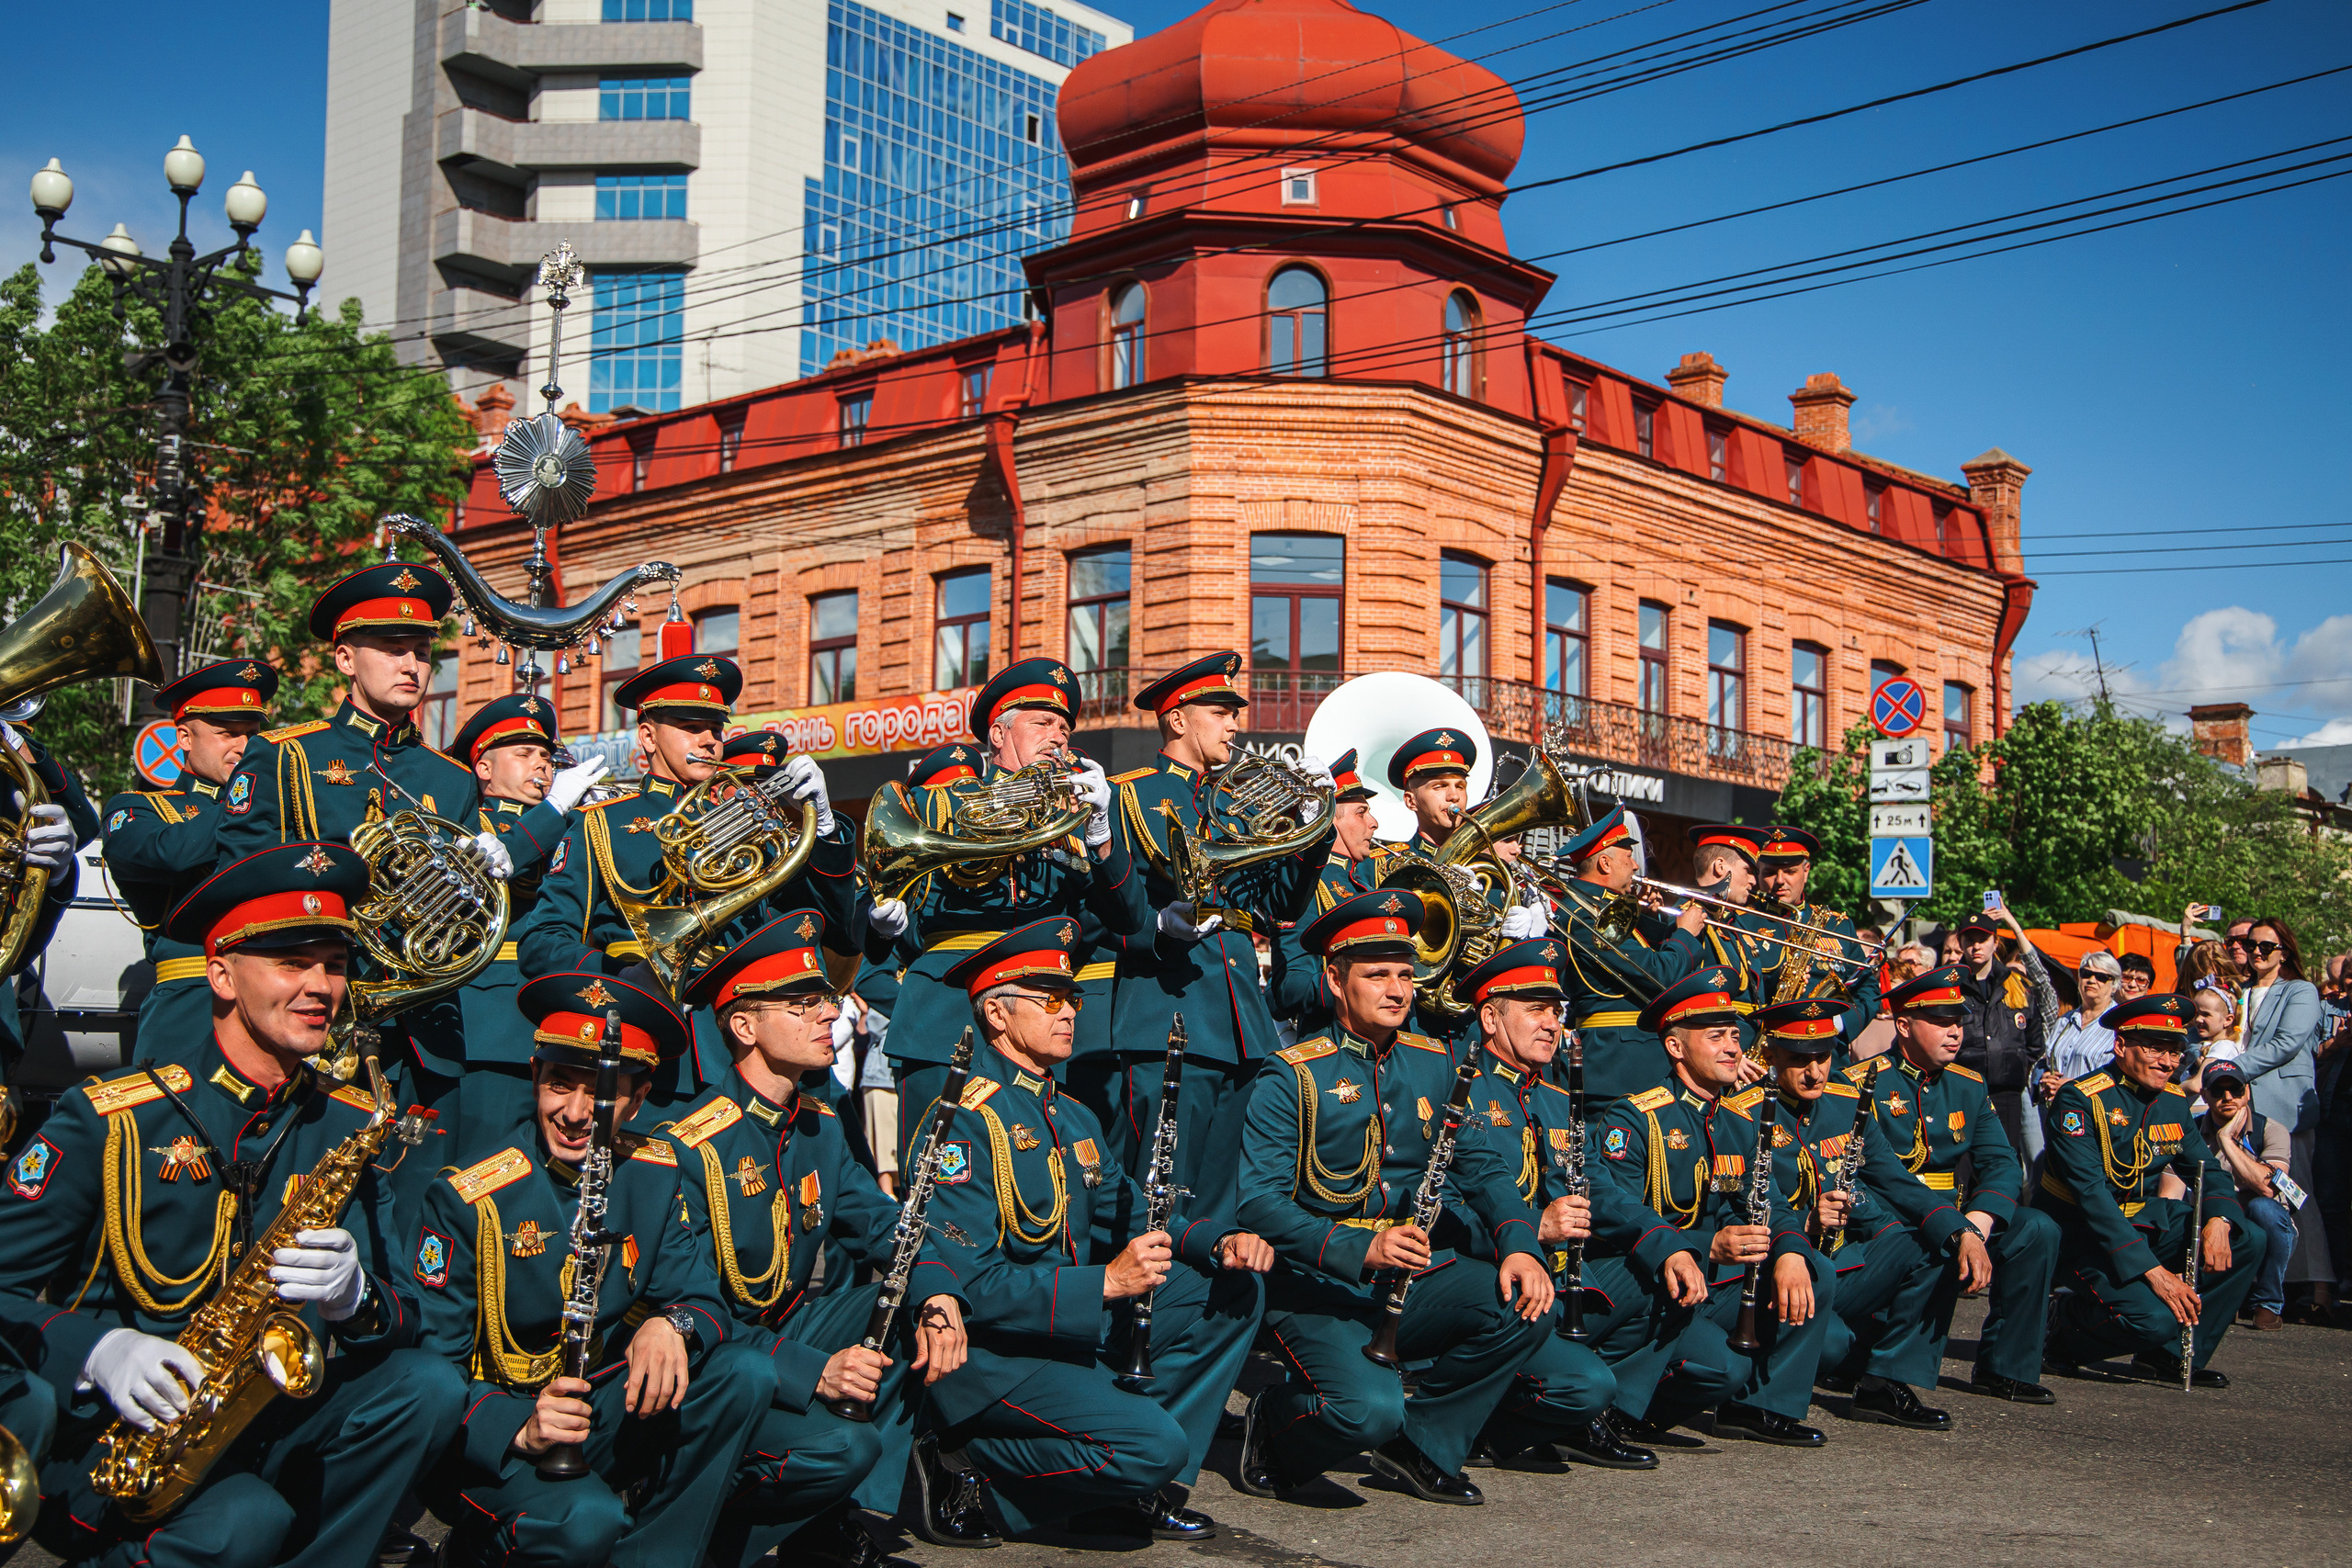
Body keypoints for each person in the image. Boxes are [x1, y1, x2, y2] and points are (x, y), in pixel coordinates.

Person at [0, 842, 464, 1568]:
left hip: (256, 1418)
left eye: (334, 964)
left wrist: (357, 1298)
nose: (321, 987)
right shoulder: (113, 1117)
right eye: (291, 962)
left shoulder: (348, 1122)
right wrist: (94, 1351)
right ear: (221, 974)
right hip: (111, 1442)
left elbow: (405, 1319)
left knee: (426, 1387)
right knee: (243, 1520)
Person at [909, 919, 1270, 1546]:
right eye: (1050, 999)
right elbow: (969, 1283)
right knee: (1152, 1446)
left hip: (1065, 1329)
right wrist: (1103, 1283)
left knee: (1231, 1289)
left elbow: (1131, 1212)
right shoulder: (962, 1120)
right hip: (997, 1356)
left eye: (1072, 997)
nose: (1071, 1011)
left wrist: (1216, 1241)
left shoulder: (1071, 1113)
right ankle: (966, 1461)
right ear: (996, 1013)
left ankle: (1124, 1486)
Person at [413, 971, 773, 1568]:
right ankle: (475, 1550)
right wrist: (519, 1426)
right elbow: (432, 1370)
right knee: (587, 1518)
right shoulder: (468, 1196)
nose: (576, 1113)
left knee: (743, 1372)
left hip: (592, 1412)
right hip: (492, 1438)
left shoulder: (653, 1171)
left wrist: (672, 1323)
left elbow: (704, 1302)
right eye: (560, 1083)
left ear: (638, 1098)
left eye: (603, 1094)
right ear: (535, 1075)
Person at [663, 910, 968, 1568]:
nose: (829, 1014)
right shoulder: (686, 1145)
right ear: (744, 1027)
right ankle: (697, 1529)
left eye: (825, 999)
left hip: (782, 1333)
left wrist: (938, 1293)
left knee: (906, 1299)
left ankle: (827, 1521)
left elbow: (888, 1227)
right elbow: (690, 1311)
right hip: (714, 1366)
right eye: (801, 1004)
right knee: (840, 1442)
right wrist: (816, 1371)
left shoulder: (820, 1125)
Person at [1235, 889, 1553, 1504]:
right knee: (1367, 1410)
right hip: (1320, 1281)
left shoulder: (1435, 1062)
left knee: (1525, 1301)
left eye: (1405, 975)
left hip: (1409, 1273)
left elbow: (1482, 1166)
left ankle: (1424, 1443)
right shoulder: (1292, 1073)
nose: (1397, 990)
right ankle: (1277, 1421)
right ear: (1335, 980)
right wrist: (1360, 1248)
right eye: (1377, 974)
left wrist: (1519, 1243)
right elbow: (1259, 1204)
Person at [213, 564, 512, 1195]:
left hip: (423, 1032)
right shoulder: (287, 754)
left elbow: (462, 929)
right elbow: (239, 889)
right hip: (311, 1021)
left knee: (412, 1205)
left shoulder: (452, 779)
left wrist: (475, 880)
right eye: (393, 649)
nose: (412, 665)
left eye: (422, 652)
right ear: (346, 659)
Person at [515, 649, 852, 1103]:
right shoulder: (601, 823)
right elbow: (542, 941)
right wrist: (622, 979)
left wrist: (826, 829)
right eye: (692, 728)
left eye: (716, 729)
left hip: (747, 1046)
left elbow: (827, 922)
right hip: (647, 1039)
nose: (710, 741)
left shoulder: (754, 821)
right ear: (648, 736)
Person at [1098, 653, 1334, 1228]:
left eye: (1234, 713)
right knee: (1159, 1199)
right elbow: (1107, 913)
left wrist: (1314, 833)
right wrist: (1160, 930)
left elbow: (1278, 907)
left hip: (1243, 1024)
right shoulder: (1127, 795)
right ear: (1178, 720)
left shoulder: (1238, 801)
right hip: (1168, 1015)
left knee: (1223, 1207)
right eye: (1221, 712)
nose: (1235, 725)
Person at [878, 660, 1131, 1161]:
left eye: (1065, 729)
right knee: (937, 1172)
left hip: (1037, 1013)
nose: (1057, 737)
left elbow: (1127, 918)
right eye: (1042, 723)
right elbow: (892, 920)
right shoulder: (939, 803)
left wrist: (1102, 834)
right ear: (998, 734)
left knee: (1037, 1171)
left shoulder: (1074, 815)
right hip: (945, 1011)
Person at [1581, 971, 1832, 1447]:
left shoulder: (1737, 1120)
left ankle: (1762, 1405)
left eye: (1735, 1036)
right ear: (1676, 1048)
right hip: (1655, 1279)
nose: (1733, 1049)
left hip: (1710, 1280)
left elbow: (1768, 1202)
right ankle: (1612, 1408)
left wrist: (1791, 1251)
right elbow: (1617, 1225)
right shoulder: (1634, 1117)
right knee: (1723, 1366)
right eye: (1716, 1038)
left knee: (1814, 1270)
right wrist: (1706, 1245)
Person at [1451, 939, 1658, 1472]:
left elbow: (1600, 1186)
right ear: (1491, 1019)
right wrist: (1534, 1229)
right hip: (1490, 1273)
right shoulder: (1462, 1088)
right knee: (1586, 1384)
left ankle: (1569, 1412)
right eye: (1536, 1010)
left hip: (1559, 1275)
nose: (1552, 1024)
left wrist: (1664, 1241)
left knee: (1656, 1275)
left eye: (1556, 1012)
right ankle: (1492, 1417)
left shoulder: (1554, 1096)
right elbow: (1445, 1209)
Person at [1851, 965, 2059, 1405]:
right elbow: (1883, 1177)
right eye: (1941, 1022)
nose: (1955, 1032)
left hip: (1958, 1212)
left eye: (1958, 1022)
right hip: (1893, 1217)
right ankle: (1884, 1383)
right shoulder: (1860, 1084)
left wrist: (1978, 1223)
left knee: (2036, 1229)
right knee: (1939, 1239)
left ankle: (2006, 1366)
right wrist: (1957, 1229)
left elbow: (2001, 1162)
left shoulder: (1969, 1084)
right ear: (1903, 1026)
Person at [2039, 994, 2264, 1387]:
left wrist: (2219, 1221)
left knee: (2248, 1237)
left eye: (2175, 1052)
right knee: (2153, 1319)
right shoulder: (2080, 1099)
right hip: (2082, 1234)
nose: (2168, 1062)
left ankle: (2169, 1356)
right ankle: (2060, 1332)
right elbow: (2093, 1198)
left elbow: (2207, 1171)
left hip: (2140, 1221)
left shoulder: (2172, 1100)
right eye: (2155, 1049)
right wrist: (2157, 1275)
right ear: (2121, 1045)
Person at [1752, 998, 1950, 1431]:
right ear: (1770, 1055)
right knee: (1834, 1345)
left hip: (1840, 1262)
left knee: (1938, 1243)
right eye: (1799, 1059)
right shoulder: (1744, 1111)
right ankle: (1773, 1391)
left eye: (1823, 1057)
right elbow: (1739, 1209)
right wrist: (1805, 1223)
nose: (1815, 1072)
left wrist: (1960, 1229)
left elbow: (1895, 1179)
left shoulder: (1845, 1103)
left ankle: (1884, 1383)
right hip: (1776, 1269)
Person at [444, 693, 617, 1158]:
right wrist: (556, 809)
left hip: (565, 1014)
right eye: (524, 754)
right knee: (485, 1161)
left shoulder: (569, 821)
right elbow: (495, 867)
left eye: (545, 755)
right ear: (483, 768)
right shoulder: (464, 823)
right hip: (491, 1020)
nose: (541, 765)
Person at [99, 658, 277, 1064]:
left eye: (252, 735)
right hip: (194, 1002)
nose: (245, 747)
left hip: (279, 996)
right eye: (227, 733)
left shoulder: (277, 808)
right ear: (184, 737)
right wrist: (251, 800)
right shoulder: (138, 808)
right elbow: (172, 854)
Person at [1542, 806, 1707, 1101]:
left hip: (1625, 1057)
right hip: (1617, 1062)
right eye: (1628, 857)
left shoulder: (1601, 907)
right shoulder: (1588, 914)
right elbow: (1658, 975)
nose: (1635, 865)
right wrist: (1685, 934)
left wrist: (1654, 921)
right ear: (1605, 863)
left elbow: (1632, 962)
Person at [2232, 917, 2335, 1322]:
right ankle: (2261, 1286)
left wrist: (2230, 1068)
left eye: (2266, 946)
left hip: (2284, 1107)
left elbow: (2287, 1043)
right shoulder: (2239, 991)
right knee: (2247, 1195)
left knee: (2296, 1194)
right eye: (2251, 945)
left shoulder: (2301, 990)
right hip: (2237, 1105)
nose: (2256, 952)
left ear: (2285, 952)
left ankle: (2319, 1287)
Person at [1266, 748, 1381, 1034]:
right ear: (1331, 820)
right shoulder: (1306, 885)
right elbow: (1289, 988)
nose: (1374, 823)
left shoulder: (1366, 882)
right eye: (1361, 812)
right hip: (1332, 1039)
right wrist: (1361, 988)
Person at [1746, 827, 1882, 1043]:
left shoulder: (1837, 925)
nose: (1780, 880)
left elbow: (1868, 988)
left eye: (1790, 872)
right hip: (1766, 1046)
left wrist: (1840, 1023)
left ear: (1806, 871)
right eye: (1770, 872)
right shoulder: (1742, 921)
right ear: (1758, 873)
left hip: (1826, 1046)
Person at [2190, 1060, 2297, 1332]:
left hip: (2262, 1220)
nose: (2228, 1097)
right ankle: (2223, 1298)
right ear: (2204, 1096)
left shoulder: (2271, 1130)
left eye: (2235, 1090)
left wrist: (2226, 1141)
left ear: (2247, 1092)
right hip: (2212, 1218)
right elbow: (2170, 1194)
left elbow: (2269, 1188)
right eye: (2218, 1091)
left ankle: (2268, 1303)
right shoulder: (2190, 1132)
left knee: (2264, 1208)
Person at [1952, 910, 2043, 1159]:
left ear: (1995, 943)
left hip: (2006, 1095)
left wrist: (2015, 1065)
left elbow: (2034, 1043)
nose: (1976, 946)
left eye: (1983, 940)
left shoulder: (2018, 987)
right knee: (1964, 1167)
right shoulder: (1950, 988)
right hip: (1963, 1092)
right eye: (1970, 940)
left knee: (2002, 1162)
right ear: (1961, 943)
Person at [2040, 951, 2120, 1100]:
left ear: (2114, 985)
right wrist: (2046, 1079)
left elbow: (2121, 1077)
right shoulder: (2064, 1021)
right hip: (2058, 1107)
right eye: (2086, 974)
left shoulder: (2118, 1024)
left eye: (2101, 977)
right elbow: (2049, 1062)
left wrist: (2077, 1085)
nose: (2092, 980)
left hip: (2095, 1107)